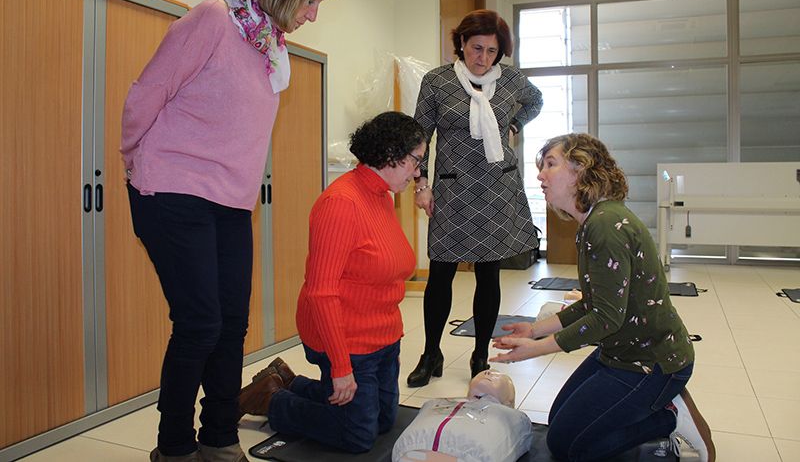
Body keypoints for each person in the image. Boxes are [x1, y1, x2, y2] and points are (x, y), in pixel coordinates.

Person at [120, 0, 339, 462]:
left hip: (230, 201)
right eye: (311, 0)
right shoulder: (213, 19)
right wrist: (135, 160)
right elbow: (146, 94)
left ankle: (218, 436)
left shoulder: (267, 44)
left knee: (231, 324)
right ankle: (173, 446)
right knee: (199, 323)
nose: (312, 14)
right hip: (172, 189)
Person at [491, 133, 716, 462]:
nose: (540, 175)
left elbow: (605, 319)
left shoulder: (605, 225)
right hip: (622, 352)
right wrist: (535, 330)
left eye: (551, 164)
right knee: (559, 426)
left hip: (652, 364)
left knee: (570, 446)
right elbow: (592, 303)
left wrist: (535, 349)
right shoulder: (594, 221)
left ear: (580, 169)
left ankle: (668, 417)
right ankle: (654, 408)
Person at [237, 111, 427, 453]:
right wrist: (340, 366)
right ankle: (272, 398)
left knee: (384, 421)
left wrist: (391, 342)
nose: (418, 173)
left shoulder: (382, 195)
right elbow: (321, 293)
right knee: (357, 436)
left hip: (381, 337)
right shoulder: (341, 203)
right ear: (391, 155)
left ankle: (291, 381)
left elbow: (383, 273)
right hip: (345, 339)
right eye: (416, 161)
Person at [408, 9, 543, 387]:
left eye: (490, 51)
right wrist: (420, 183)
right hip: (452, 189)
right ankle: (431, 353)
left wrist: (515, 122)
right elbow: (421, 135)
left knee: (489, 275)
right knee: (440, 274)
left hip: (497, 189)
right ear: (461, 45)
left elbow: (535, 101)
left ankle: (480, 352)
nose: (482, 58)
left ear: (500, 54)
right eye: (475, 47)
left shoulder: (512, 81)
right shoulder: (437, 81)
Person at [392, 370, 533, 462]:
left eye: (496, 376)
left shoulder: (510, 419)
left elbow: (519, 436)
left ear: (509, 402)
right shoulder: (437, 404)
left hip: (469, 455)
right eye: (485, 372)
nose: (489, 373)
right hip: (411, 449)